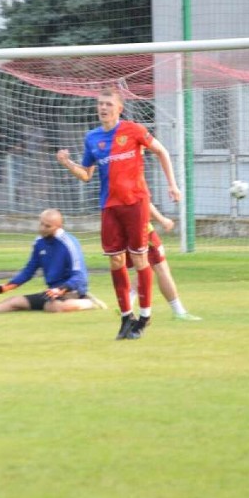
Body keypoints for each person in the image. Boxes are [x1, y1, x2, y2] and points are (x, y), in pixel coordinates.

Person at [56, 86, 181, 340]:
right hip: (110, 207)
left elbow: (161, 151)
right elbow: (86, 175)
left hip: (136, 204)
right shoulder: (92, 138)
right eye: (100, 103)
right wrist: (68, 163)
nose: (103, 108)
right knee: (115, 261)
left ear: (119, 108)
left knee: (139, 260)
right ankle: (126, 317)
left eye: (108, 104)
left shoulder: (133, 130)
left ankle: (145, 316)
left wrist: (172, 184)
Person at [0, 208, 107, 314]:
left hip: (72, 290)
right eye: (41, 224)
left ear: (58, 227)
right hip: (52, 292)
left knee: (54, 307)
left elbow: (79, 277)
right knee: (14, 302)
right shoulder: (39, 242)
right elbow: (29, 271)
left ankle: (88, 302)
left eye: (47, 226)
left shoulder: (69, 243)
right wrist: (6, 287)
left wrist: (61, 290)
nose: (42, 228)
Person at [127, 203, 201, 321]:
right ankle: (179, 311)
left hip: (122, 224)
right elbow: (143, 199)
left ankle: (127, 304)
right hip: (141, 228)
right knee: (161, 267)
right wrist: (162, 220)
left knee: (145, 267)